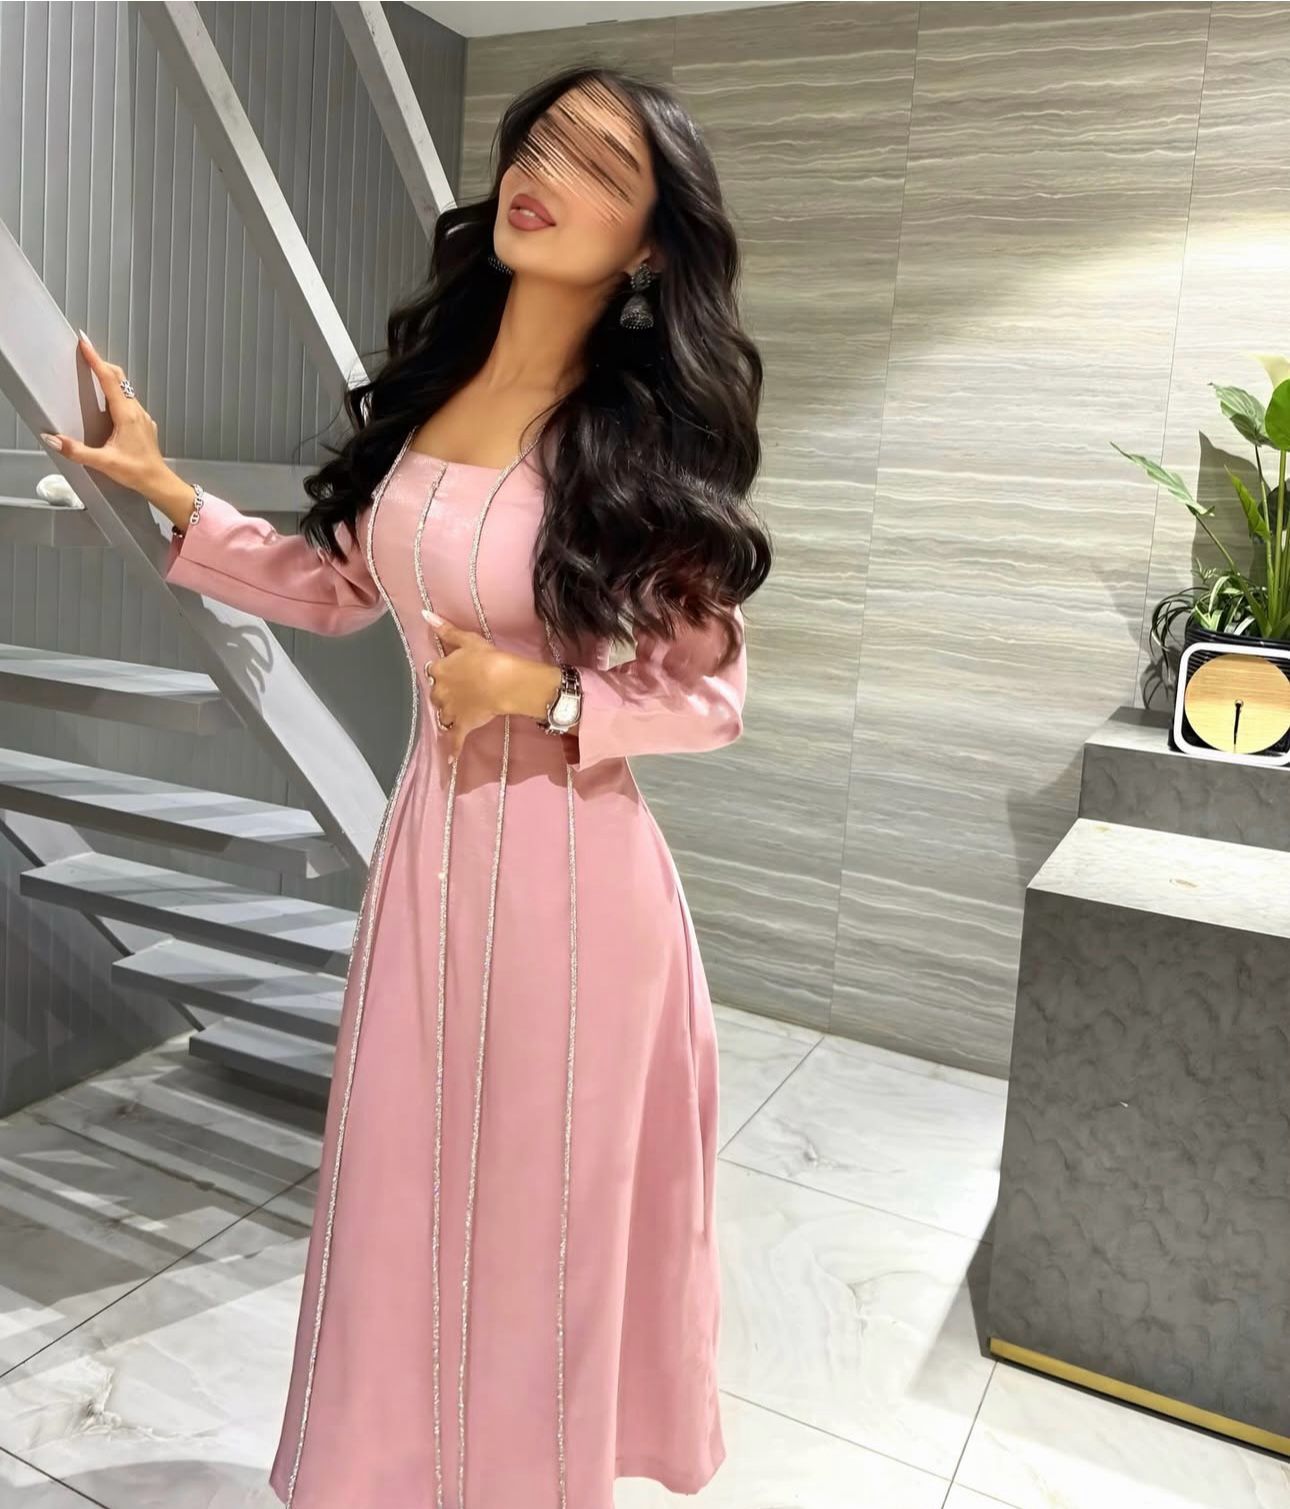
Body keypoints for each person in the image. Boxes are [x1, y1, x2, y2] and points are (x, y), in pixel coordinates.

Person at [42, 61, 770, 1509]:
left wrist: (543, 692)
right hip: (430, 854)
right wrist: (169, 490)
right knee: (406, 1188)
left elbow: (711, 698)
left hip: (578, 886)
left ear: (648, 248)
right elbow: (333, 589)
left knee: (538, 1219)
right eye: (538, 142)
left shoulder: (637, 443)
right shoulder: (440, 391)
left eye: (599, 165)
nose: (542, 174)